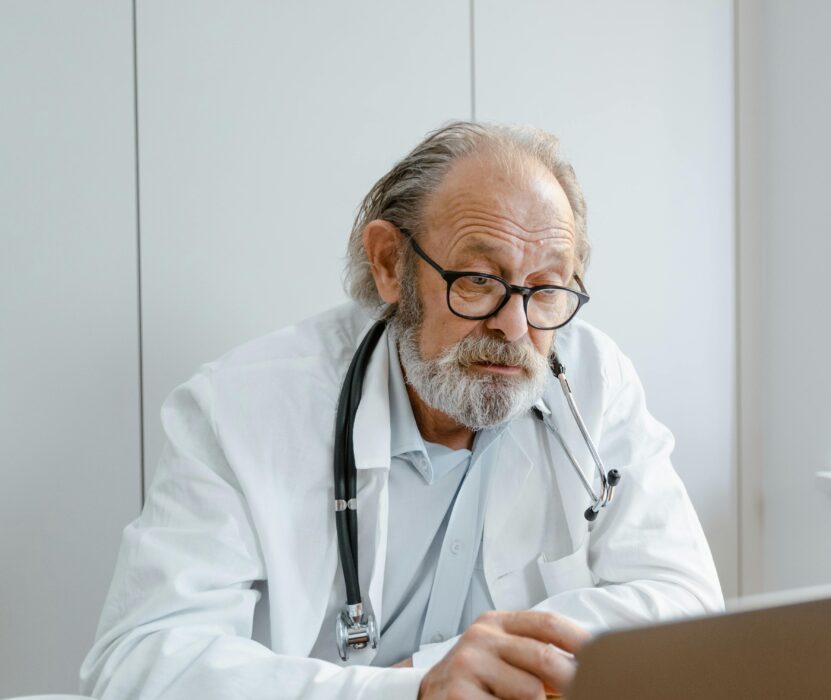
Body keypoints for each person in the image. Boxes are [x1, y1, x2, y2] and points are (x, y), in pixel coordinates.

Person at [81, 122, 724, 699]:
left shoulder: (591, 379)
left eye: (546, 288)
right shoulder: (241, 407)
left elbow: (687, 606)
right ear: (391, 264)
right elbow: (141, 663)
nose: (514, 325)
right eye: (478, 279)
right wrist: (412, 691)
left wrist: (456, 667)